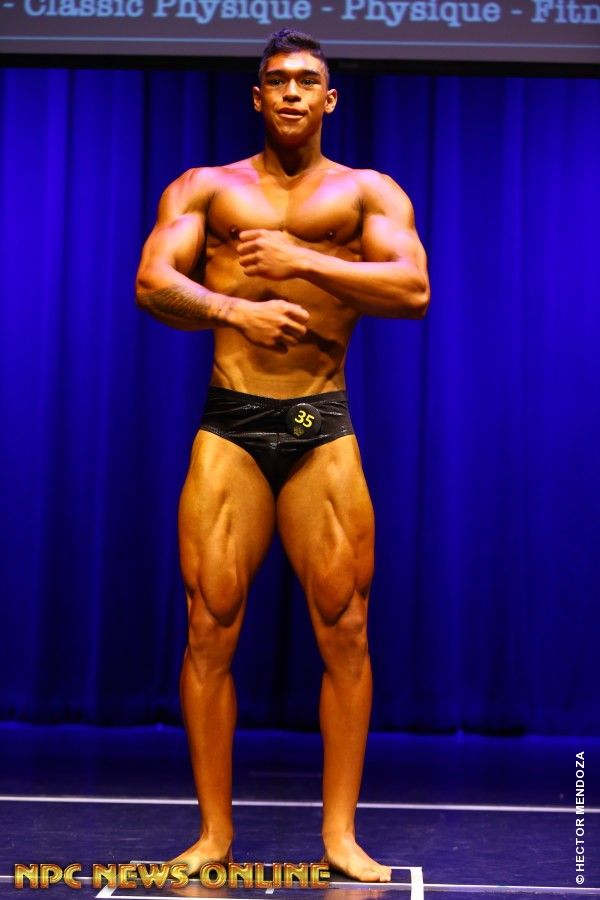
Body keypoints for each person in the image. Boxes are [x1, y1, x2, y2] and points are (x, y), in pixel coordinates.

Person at [135, 28, 429, 883]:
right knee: (208, 625)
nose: (292, 91)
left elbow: (413, 289)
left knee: (346, 628)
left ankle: (339, 836)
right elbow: (152, 282)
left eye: (307, 80)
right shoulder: (205, 187)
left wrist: (302, 259)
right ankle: (213, 835)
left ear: (329, 99)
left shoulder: (369, 192)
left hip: (318, 427)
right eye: (277, 80)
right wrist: (236, 311)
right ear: (256, 96)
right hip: (231, 423)